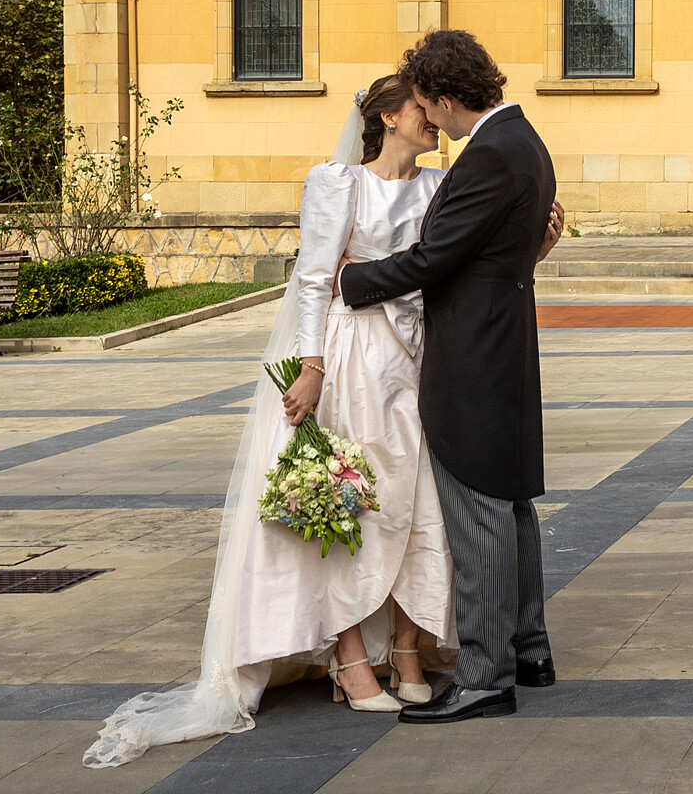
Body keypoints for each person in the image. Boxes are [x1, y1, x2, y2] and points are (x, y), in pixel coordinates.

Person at [83, 75, 458, 768]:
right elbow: (314, 277)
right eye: (419, 108)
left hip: (413, 356)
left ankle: (407, 650)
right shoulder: (337, 182)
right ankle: (349, 661)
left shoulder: (436, 187)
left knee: (412, 502)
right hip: (346, 353)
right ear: (387, 114)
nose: (432, 119)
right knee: (348, 501)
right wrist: (311, 368)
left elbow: (453, 266)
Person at [339, 29, 562, 726]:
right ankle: (529, 649)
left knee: (481, 517)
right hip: (503, 348)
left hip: (472, 357)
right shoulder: (522, 140)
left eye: (427, 105)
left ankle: (485, 677)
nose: (427, 119)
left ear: (440, 97)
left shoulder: (490, 155)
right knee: (511, 506)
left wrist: (351, 281)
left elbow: (433, 259)